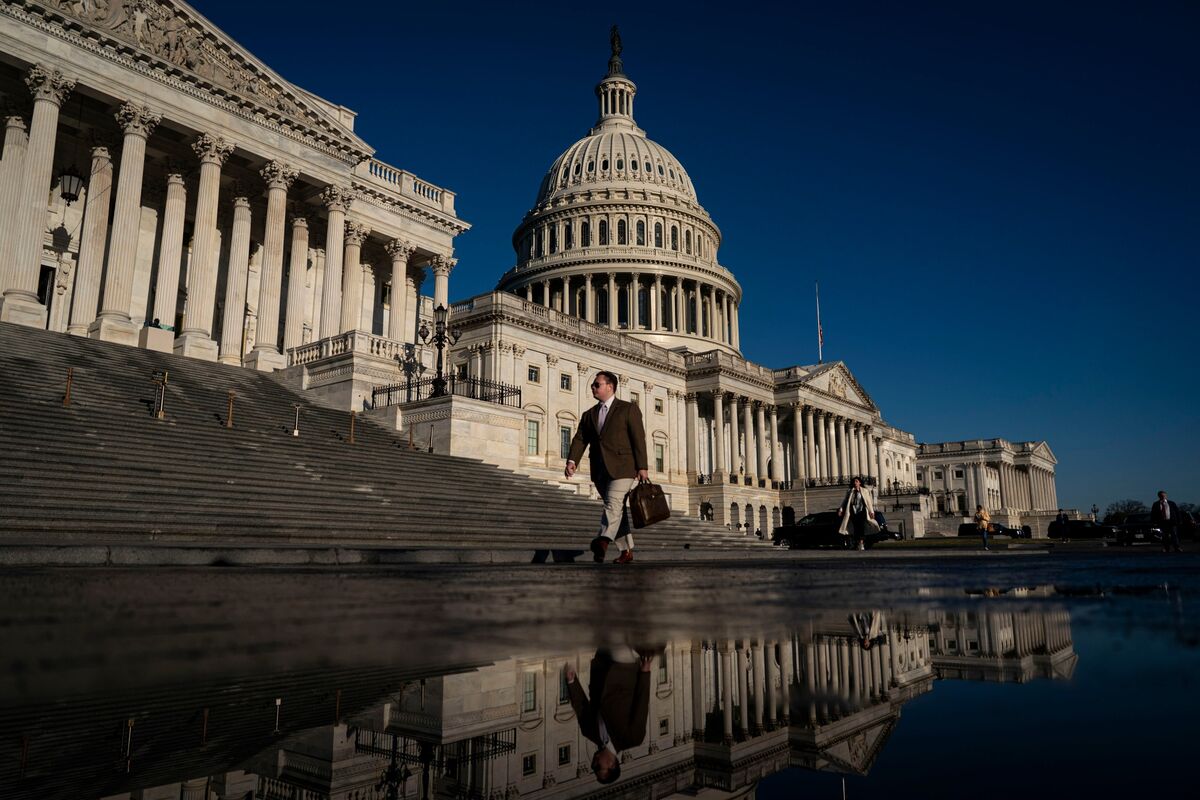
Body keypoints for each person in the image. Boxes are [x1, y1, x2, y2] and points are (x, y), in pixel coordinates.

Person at [565, 371, 648, 564]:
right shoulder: (589, 414)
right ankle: (626, 552)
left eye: (597, 384)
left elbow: (639, 439)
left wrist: (642, 466)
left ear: (609, 386)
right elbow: (580, 439)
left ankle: (602, 540)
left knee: (613, 504)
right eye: (594, 385)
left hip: (624, 468)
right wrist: (572, 461)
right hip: (600, 469)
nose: (593, 387)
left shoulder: (628, 409)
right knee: (616, 509)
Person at [564, 647, 652, 785]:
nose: (594, 763)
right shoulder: (633, 738)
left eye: (594, 767)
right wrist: (645, 672)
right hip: (624, 670)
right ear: (612, 764)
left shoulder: (589, 732)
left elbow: (581, 706)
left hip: (602, 664)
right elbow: (641, 703)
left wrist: (571, 681)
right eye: (598, 767)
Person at [838, 477, 879, 551]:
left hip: (862, 511)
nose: (855, 483)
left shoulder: (865, 491)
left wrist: (871, 512)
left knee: (861, 527)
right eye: (854, 481)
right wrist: (841, 509)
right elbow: (845, 501)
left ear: (860, 483)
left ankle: (861, 543)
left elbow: (869, 502)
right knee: (855, 528)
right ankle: (857, 543)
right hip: (853, 511)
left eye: (856, 481)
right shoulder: (850, 491)